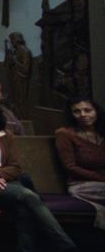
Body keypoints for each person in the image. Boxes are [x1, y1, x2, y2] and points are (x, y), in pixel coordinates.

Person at [0, 94, 75, 252]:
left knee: (23, 208)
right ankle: (67, 246)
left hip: (3, 180)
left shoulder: (5, 133)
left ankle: (25, 249)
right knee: (28, 196)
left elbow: (15, 167)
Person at [55, 97, 105, 229]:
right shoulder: (65, 134)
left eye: (87, 110)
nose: (83, 115)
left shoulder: (102, 133)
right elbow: (70, 167)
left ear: (96, 111)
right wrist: (102, 178)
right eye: (76, 111)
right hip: (81, 184)